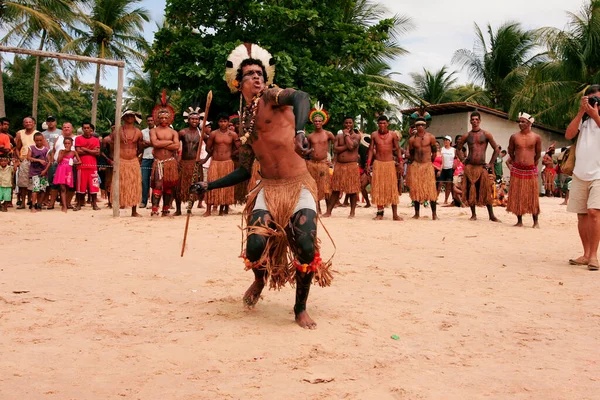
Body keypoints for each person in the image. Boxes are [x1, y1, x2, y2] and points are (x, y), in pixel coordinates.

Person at [191, 43, 332, 329]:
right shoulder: (244, 124)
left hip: (298, 185)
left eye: (259, 73)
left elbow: (302, 96)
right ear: (237, 82)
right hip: (268, 188)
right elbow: (244, 169)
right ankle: (259, 279)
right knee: (255, 247)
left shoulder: (273, 97)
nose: (257, 78)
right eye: (250, 74)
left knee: (305, 245)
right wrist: (210, 184)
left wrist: (300, 131)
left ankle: (300, 307)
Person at [565, 85, 600, 271]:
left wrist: (595, 115)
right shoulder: (584, 122)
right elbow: (569, 134)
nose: (595, 103)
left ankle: (594, 256)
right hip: (580, 172)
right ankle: (586, 254)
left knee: (594, 212)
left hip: (599, 174)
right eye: (591, 99)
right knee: (582, 214)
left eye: (597, 99)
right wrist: (581, 112)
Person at [456, 111, 501, 222]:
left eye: (476, 119)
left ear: (480, 121)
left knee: (486, 191)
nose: (475, 121)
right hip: (470, 166)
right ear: (470, 121)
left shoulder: (486, 134)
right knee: (472, 190)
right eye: (472, 119)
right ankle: (473, 214)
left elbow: (496, 148)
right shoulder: (467, 135)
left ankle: (491, 215)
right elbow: (458, 148)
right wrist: (463, 160)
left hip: (481, 167)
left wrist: (490, 163)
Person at [506, 112, 542, 228]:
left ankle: (535, 221)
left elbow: (537, 155)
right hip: (517, 169)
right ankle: (519, 221)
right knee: (518, 195)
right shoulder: (514, 137)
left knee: (532, 195)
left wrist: (531, 163)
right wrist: (516, 163)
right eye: (519, 122)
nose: (520, 124)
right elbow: (511, 152)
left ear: (529, 123)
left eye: (523, 122)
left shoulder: (536, 137)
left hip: (530, 169)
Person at [323, 116, 361, 218]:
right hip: (339, 165)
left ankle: (352, 212)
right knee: (335, 189)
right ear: (343, 124)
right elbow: (335, 149)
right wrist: (347, 146)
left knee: (352, 190)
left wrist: (346, 136)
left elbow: (352, 146)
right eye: (346, 123)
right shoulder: (338, 136)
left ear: (353, 124)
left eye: (350, 123)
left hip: (351, 165)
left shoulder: (357, 136)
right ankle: (329, 211)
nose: (348, 125)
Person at [366, 115, 402, 221]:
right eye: (380, 123)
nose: (382, 125)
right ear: (378, 124)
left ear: (387, 124)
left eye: (384, 123)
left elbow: (398, 149)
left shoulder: (393, 135)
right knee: (378, 188)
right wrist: (368, 164)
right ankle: (380, 213)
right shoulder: (374, 135)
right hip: (378, 164)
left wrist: (400, 162)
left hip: (389, 164)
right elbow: (371, 150)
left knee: (392, 189)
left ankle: (395, 214)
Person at [203, 113, 238, 216]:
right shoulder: (214, 134)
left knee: (225, 185)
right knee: (211, 183)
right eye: (221, 121)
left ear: (228, 122)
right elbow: (207, 148)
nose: (223, 123)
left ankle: (222, 209)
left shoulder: (233, 135)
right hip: (215, 162)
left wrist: (231, 154)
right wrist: (212, 153)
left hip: (227, 163)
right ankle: (208, 209)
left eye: (225, 121)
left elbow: (239, 148)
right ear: (218, 123)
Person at [150, 100, 180, 217]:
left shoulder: (173, 132)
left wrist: (161, 142)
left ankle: (166, 208)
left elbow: (177, 146)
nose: (163, 120)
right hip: (158, 162)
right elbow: (155, 143)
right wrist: (169, 142)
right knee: (158, 185)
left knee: (169, 185)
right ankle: (154, 208)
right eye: (161, 118)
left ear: (169, 119)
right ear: (157, 118)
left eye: (165, 118)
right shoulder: (153, 130)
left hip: (170, 162)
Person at [306, 103, 335, 214]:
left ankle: (328, 210)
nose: (317, 122)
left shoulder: (328, 134)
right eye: (316, 120)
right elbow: (307, 151)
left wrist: (333, 160)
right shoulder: (310, 136)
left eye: (319, 120)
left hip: (323, 164)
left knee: (326, 188)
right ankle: (317, 209)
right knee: (314, 187)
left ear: (323, 122)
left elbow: (336, 146)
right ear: (312, 122)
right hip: (312, 164)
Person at [407, 118, 439, 220]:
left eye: (422, 125)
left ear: (425, 126)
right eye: (418, 125)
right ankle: (416, 213)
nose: (420, 126)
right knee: (416, 190)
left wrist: (429, 163)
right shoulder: (412, 140)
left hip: (427, 165)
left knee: (431, 190)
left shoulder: (431, 137)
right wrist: (415, 163)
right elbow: (411, 154)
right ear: (415, 127)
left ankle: (434, 214)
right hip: (416, 166)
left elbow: (434, 153)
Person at [176, 110, 203, 216]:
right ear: (188, 120)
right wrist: (176, 158)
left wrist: (205, 159)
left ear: (199, 120)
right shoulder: (182, 132)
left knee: (193, 187)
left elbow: (211, 147)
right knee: (179, 187)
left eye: (196, 119)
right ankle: (178, 210)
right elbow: (175, 145)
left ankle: (189, 209)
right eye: (192, 118)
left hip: (194, 164)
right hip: (183, 162)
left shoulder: (202, 134)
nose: (194, 121)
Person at [119, 111, 143, 217]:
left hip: (133, 160)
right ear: (123, 118)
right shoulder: (118, 131)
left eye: (131, 116)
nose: (129, 118)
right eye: (127, 116)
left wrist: (137, 156)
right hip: (121, 160)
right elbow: (110, 143)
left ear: (134, 118)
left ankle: (134, 211)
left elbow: (140, 146)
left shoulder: (138, 132)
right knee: (120, 184)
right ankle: (118, 207)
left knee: (134, 185)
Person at [15, 116, 42, 209]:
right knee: (23, 183)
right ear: (23, 124)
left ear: (34, 123)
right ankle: (23, 202)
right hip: (25, 161)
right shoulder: (20, 133)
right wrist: (19, 158)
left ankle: (30, 201)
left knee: (33, 182)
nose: (28, 123)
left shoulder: (38, 133)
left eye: (30, 122)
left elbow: (45, 147)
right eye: (26, 122)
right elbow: (17, 148)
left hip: (35, 161)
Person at [74, 122, 100, 211]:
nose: (86, 129)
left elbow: (97, 152)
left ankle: (94, 204)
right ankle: (79, 204)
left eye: (88, 128)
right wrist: (91, 151)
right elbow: (78, 151)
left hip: (93, 166)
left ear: (91, 129)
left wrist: (84, 149)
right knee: (80, 186)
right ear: (82, 129)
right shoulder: (78, 139)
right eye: (84, 128)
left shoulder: (96, 140)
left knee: (94, 185)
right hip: (82, 166)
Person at [53, 137, 80, 212]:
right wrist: (63, 153)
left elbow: (79, 161)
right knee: (62, 188)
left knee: (68, 187)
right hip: (61, 170)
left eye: (68, 143)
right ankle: (64, 206)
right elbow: (58, 160)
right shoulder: (61, 151)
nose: (67, 145)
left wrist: (73, 163)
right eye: (65, 143)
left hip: (68, 171)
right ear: (63, 144)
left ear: (71, 144)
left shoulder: (74, 152)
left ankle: (65, 203)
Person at [26, 132, 50, 212]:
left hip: (43, 172)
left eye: (40, 140)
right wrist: (38, 160)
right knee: (35, 189)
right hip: (35, 172)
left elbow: (49, 161)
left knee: (42, 189)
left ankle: (39, 205)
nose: (39, 142)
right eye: (37, 140)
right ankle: (33, 206)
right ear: (34, 140)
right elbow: (28, 157)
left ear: (43, 140)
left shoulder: (46, 149)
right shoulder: (31, 148)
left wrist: (45, 170)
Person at [140, 115, 155, 208]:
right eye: (148, 120)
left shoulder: (158, 131)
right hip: (145, 158)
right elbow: (141, 144)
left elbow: (158, 144)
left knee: (155, 181)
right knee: (144, 181)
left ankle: (154, 202)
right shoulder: (142, 132)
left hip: (155, 158)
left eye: (152, 120)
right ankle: (143, 201)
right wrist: (152, 143)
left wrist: (149, 143)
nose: (150, 122)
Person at [440, 135, 456, 204]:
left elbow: (456, 159)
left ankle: (446, 200)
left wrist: (454, 166)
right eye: (444, 140)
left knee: (448, 185)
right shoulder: (442, 149)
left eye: (447, 140)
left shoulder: (453, 150)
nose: (445, 141)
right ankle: (436, 198)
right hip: (442, 168)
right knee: (439, 183)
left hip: (450, 168)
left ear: (450, 141)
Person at [101, 126, 115, 208]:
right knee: (109, 182)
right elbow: (101, 152)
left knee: (121, 181)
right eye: (113, 127)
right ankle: (110, 202)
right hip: (110, 161)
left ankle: (121, 201)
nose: (114, 129)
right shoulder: (107, 139)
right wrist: (108, 160)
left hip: (122, 161)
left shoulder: (123, 138)